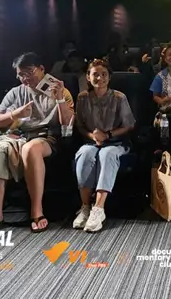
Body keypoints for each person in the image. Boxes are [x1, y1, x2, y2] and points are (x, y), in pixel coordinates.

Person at [0, 53, 74, 232]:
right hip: (20, 136)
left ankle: (36, 210)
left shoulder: (59, 90)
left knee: (30, 149)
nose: (25, 78)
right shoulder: (16, 92)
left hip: (47, 137)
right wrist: (16, 114)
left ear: (41, 69)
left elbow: (67, 123)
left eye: (29, 72)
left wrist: (60, 97)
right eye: (21, 75)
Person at [71, 59, 136, 232]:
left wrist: (108, 135)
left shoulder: (119, 97)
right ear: (88, 77)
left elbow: (129, 125)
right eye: (95, 74)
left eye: (104, 74)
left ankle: (98, 209)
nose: (99, 78)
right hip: (91, 141)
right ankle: (85, 207)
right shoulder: (82, 98)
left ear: (109, 77)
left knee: (106, 155)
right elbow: (80, 126)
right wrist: (92, 136)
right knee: (85, 154)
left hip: (116, 141)